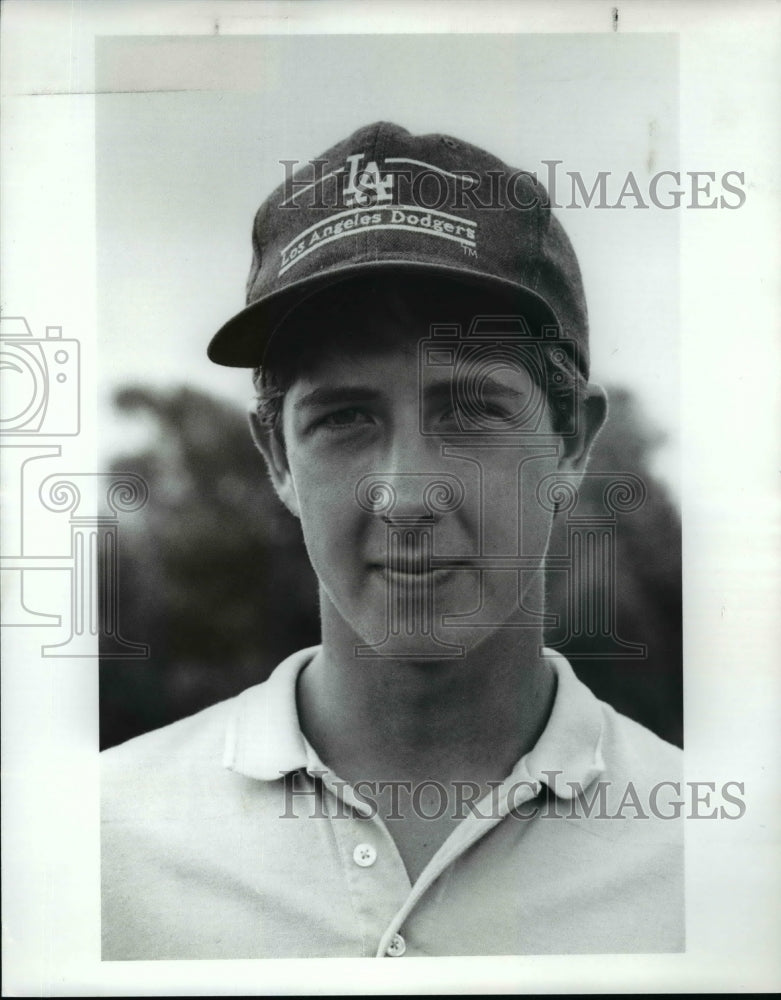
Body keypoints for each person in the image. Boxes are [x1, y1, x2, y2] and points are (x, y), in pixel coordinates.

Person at [101, 121, 683, 959]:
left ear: (571, 441)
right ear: (277, 457)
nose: (406, 495)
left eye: (469, 412)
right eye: (344, 418)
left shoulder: (722, 866)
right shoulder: (96, 842)